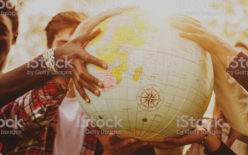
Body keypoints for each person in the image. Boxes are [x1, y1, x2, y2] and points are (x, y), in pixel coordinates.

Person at [0, 5, 143, 154]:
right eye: (64, 45)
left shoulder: (105, 109)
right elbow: (17, 124)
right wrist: (61, 63)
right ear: (50, 48)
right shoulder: (22, 99)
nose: (75, 51)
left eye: (82, 44)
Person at [150, 15, 248, 154]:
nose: (234, 77)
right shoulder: (203, 127)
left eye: (243, 69)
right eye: (228, 68)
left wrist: (216, 51)